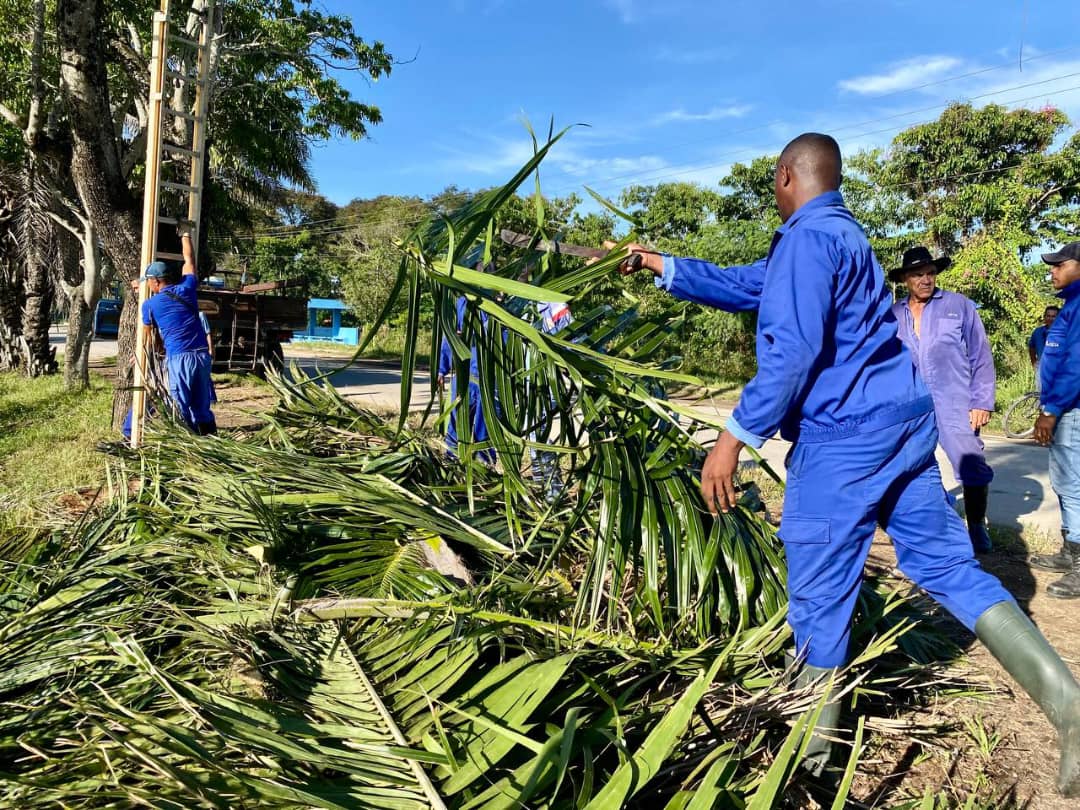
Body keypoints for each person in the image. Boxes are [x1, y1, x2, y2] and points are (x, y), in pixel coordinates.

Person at [616, 132, 1080, 795]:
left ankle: (808, 771)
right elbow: (756, 286)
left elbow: (793, 347)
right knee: (948, 566)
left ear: (784, 177)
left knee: (821, 596)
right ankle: (1070, 707)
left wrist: (733, 437)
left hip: (846, 442)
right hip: (904, 427)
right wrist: (663, 264)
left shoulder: (806, 241)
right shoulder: (841, 234)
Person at [888, 247, 996, 553]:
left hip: (955, 401)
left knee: (970, 462)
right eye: (918, 274)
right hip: (910, 405)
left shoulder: (958, 305)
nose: (925, 279)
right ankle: (931, 526)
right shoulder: (894, 315)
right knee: (910, 466)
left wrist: (982, 401)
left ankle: (976, 526)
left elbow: (980, 355)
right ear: (905, 279)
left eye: (930, 273)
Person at [1029, 243, 1080, 599]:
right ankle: (1068, 552)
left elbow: (1075, 366)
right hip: (1063, 408)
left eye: (1060, 265)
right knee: (1065, 484)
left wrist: (1052, 410)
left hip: (1071, 410)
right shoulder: (1070, 307)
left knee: (1074, 487)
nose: (1053, 271)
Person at [140, 226, 217, 435]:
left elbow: (148, 337)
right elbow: (189, 260)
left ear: (156, 281)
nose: (147, 286)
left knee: (180, 407)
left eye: (148, 282)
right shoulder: (187, 288)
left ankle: (187, 448)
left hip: (179, 358)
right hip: (201, 356)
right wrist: (185, 234)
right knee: (202, 408)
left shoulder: (149, 305)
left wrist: (147, 353)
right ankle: (212, 444)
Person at [437, 262, 494, 464]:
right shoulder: (462, 304)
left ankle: (484, 465)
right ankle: (450, 462)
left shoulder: (498, 307)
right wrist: (441, 369)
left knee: (485, 424)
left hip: (489, 379)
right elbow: (449, 337)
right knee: (456, 420)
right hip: (465, 375)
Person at [1029, 305, 1060, 391]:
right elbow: (1031, 347)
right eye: (1048, 316)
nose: (1050, 318)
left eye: (1054, 316)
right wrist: (1034, 363)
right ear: (1044, 317)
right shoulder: (1037, 332)